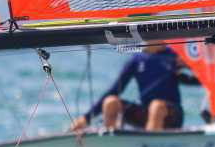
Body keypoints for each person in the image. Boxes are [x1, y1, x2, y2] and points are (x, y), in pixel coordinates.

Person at [71, 43, 199, 132]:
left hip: (172, 115)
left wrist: (190, 65)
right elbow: (115, 90)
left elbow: (200, 80)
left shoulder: (174, 55)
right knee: (110, 102)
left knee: (156, 106)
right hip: (147, 114)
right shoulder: (137, 60)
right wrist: (86, 118)